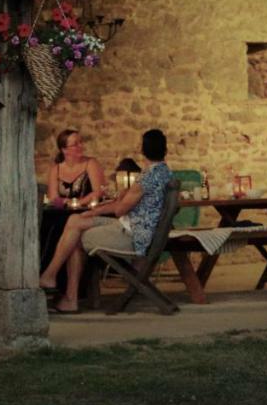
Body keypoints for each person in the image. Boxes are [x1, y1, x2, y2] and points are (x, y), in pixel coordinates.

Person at [39, 129, 173, 313]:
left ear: (143, 149)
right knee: (75, 220)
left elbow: (119, 209)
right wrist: (96, 210)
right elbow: (124, 204)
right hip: (135, 228)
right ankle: (51, 277)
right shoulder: (164, 172)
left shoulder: (147, 177)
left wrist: (98, 210)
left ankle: (66, 294)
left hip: (134, 235)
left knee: (76, 235)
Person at [46, 129, 106, 206]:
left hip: (87, 211)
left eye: (81, 142)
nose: (81, 146)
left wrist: (78, 203)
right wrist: (67, 203)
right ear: (64, 150)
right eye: (75, 144)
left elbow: (99, 191)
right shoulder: (55, 170)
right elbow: (53, 198)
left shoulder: (91, 163)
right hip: (63, 212)